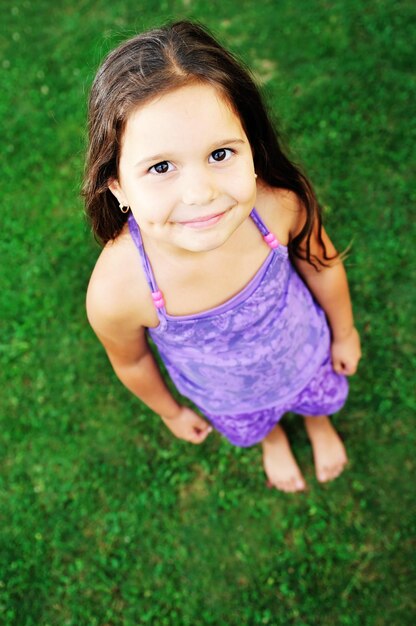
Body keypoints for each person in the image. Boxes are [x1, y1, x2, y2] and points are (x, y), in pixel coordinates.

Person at [84, 20, 361, 493]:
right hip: (230, 396)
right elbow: (131, 363)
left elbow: (322, 264)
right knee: (260, 422)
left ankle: (317, 422)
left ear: (251, 147)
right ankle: (273, 437)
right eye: (161, 167)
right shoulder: (118, 291)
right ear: (117, 185)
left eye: (219, 154)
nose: (199, 193)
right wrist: (170, 412)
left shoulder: (277, 207)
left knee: (316, 398)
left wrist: (345, 331)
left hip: (304, 352)